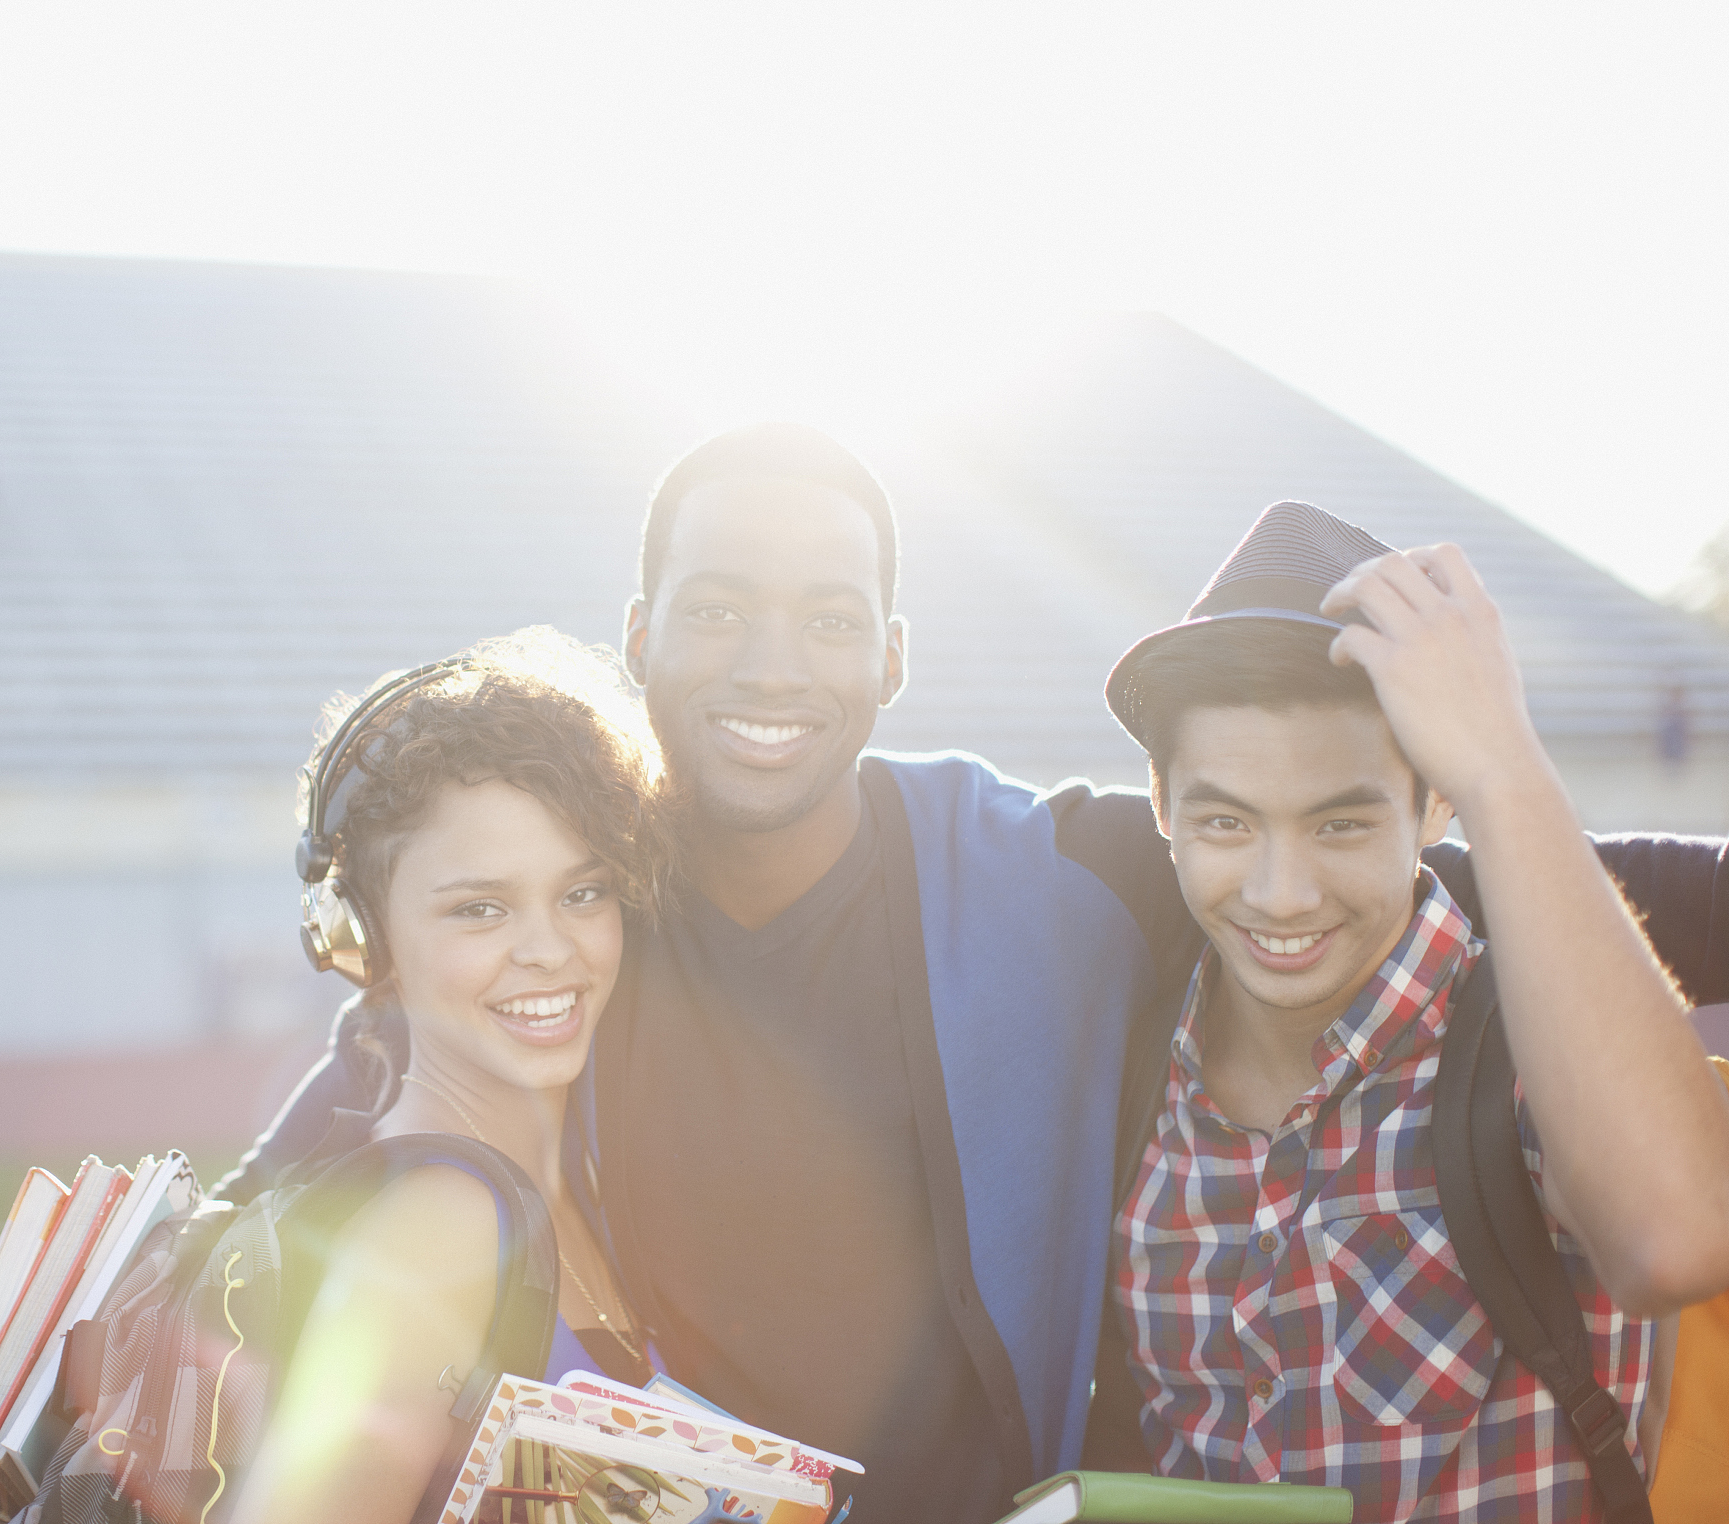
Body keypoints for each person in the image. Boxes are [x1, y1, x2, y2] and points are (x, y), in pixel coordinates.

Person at [227, 429, 1729, 1524]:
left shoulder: (1059, 875)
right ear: (641, 639)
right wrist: (198, 1282)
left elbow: (1433, 868)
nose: (772, 664)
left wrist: (1501, 767)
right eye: (719, 607)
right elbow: (392, 1071)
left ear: (892, 656)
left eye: (829, 617)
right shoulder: (582, 906)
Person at [1100, 503, 1729, 1521]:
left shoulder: (1529, 1044)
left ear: (1434, 807)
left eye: (1339, 824)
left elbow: (1680, 1240)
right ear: (1162, 809)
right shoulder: (1123, 1070)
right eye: (1224, 821)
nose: (1280, 893)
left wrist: (1499, 761)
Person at [229, 628, 674, 1524]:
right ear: (366, 942)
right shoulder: (439, 1230)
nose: (551, 950)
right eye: (481, 909)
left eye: (582, 893)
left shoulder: (566, 1174)